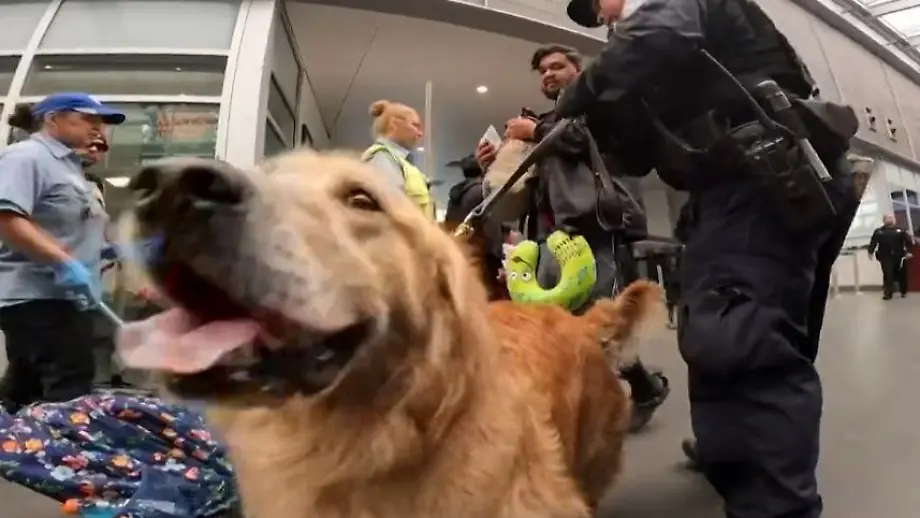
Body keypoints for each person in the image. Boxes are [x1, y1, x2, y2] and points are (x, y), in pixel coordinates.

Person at [561, 0, 860, 516]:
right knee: (716, 328)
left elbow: (662, 32)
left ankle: (774, 505)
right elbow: (635, 152)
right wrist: (593, 122)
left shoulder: (661, 17)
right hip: (737, 188)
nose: (601, 19)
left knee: (744, 338)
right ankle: (729, 452)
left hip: (763, 178)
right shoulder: (649, 58)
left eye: (597, 5)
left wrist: (582, 90)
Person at [475, 43, 670, 432]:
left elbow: (585, 140)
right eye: (543, 71)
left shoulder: (598, 103)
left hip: (593, 227)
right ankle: (629, 391)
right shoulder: (552, 119)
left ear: (577, 70)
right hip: (552, 234)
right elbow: (536, 181)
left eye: (557, 66)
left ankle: (596, 410)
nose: (548, 74)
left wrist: (535, 131)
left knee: (597, 320)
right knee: (565, 324)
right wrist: (495, 162)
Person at [0, 93, 125, 410]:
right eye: (88, 118)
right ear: (52, 118)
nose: (98, 128)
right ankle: (57, 444)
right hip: (40, 298)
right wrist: (64, 262)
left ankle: (15, 438)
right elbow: (7, 218)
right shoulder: (27, 157)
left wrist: (113, 250)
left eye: (102, 123)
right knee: (67, 393)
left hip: (63, 299)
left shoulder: (70, 168)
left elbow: (65, 224)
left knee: (24, 392)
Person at [444, 154, 507, 300]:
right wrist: (498, 254)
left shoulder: (455, 196)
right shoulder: (481, 192)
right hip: (483, 256)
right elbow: (491, 226)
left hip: (461, 252)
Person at [362, 100, 433, 219]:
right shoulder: (382, 157)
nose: (420, 133)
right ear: (394, 123)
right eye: (414, 125)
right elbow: (389, 211)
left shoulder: (397, 161)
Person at [868, 213, 913, 299]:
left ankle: (903, 291)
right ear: (884, 220)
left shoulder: (901, 230)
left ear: (894, 219)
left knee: (902, 275)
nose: (889, 219)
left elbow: (909, 242)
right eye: (887, 218)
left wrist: (908, 252)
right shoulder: (879, 231)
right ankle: (888, 294)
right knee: (888, 274)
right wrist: (870, 252)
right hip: (885, 257)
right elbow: (873, 243)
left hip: (899, 256)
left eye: (891, 218)